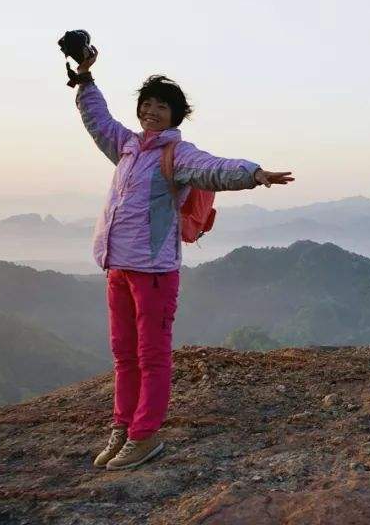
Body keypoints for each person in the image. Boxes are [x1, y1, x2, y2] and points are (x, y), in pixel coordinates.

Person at [70, 52, 293, 470]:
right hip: (117, 266)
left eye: (162, 106)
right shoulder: (127, 147)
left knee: (152, 356)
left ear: (175, 116)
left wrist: (253, 173)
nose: (151, 112)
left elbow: (214, 168)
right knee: (123, 355)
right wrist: (84, 79)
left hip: (154, 273)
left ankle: (145, 435)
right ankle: (122, 427)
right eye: (147, 104)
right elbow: (98, 120)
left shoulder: (178, 153)